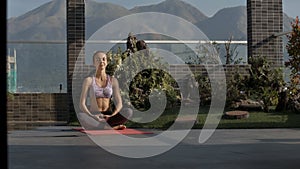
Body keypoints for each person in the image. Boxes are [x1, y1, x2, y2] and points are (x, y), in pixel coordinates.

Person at [78, 51, 133, 130]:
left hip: (109, 116)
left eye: (104, 59)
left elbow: (119, 103)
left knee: (128, 111)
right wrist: (92, 116)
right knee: (81, 116)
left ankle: (103, 127)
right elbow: (81, 104)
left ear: (107, 62)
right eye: (98, 60)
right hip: (94, 115)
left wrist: (112, 115)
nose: (101, 62)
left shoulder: (113, 80)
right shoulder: (88, 80)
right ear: (94, 63)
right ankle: (110, 128)